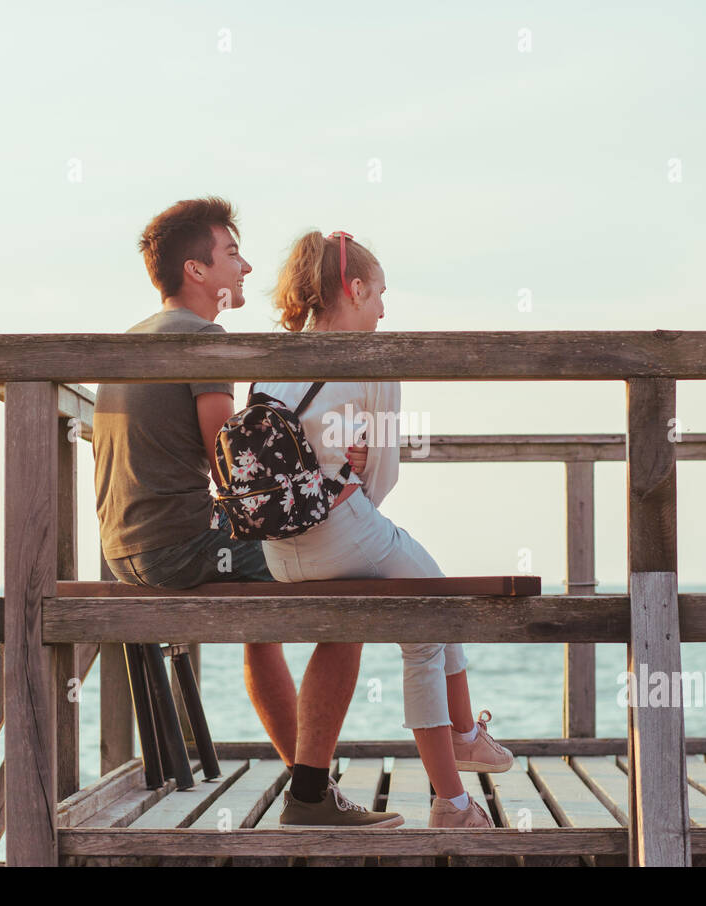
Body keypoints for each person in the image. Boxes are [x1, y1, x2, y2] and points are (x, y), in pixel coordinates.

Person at [92, 198, 401, 828]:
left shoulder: (133, 338)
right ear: (196, 270)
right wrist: (332, 482)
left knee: (279, 597)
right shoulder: (204, 341)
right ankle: (312, 793)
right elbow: (235, 473)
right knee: (341, 578)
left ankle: (308, 782)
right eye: (231, 254)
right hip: (177, 546)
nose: (247, 266)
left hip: (122, 545)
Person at [255, 230, 514, 828]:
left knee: (432, 595)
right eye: (379, 296)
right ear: (355, 287)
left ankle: (466, 739)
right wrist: (357, 473)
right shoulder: (370, 360)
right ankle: (453, 789)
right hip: (338, 532)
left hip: (277, 549)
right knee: (430, 619)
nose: (383, 310)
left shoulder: (274, 361)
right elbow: (382, 482)